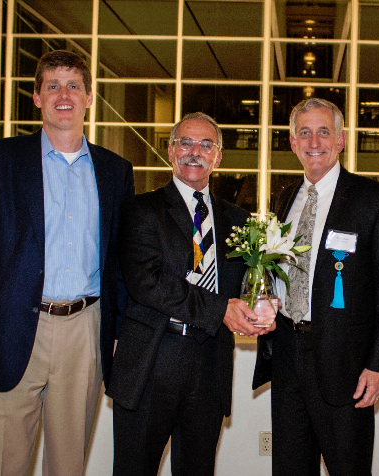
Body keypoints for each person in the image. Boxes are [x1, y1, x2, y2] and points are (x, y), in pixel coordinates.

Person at [0, 50, 134, 475]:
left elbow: (119, 262)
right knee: (0, 465)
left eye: (73, 86)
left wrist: (119, 333)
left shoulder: (115, 171)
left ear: (88, 97)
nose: (63, 94)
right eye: (52, 85)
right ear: (36, 97)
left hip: (86, 331)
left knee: (68, 467)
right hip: (6, 330)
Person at [107, 112, 269, 475]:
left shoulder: (240, 221)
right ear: (170, 151)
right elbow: (147, 283)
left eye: (205, 144)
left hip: (209, 364)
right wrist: (221, 310)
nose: (194, 152)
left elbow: (247, 283)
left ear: (218, 156)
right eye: (186, 142)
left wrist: (263, 303)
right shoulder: (140, 210)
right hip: (152, 360)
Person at [253, 98, 379, 476]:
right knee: (289, 467)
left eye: (324, 132)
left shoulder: (376, 200)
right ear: (292, 142)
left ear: (341, 140)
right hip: (287, 354)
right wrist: (266, 297)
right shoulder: (285, 198)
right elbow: (279, 268)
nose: (314, 141)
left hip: (347, 364)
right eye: (305, 132)